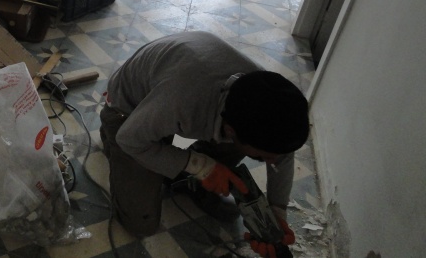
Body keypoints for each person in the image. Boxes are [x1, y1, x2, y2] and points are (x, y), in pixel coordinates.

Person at [99, 31, 308, 256]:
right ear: (230, 130)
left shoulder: (262, 97)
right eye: (266, 156)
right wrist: (204, 167)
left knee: (250, 143)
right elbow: (129, 139)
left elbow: (282, 153)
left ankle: (188, 179)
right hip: (127, 113)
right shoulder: (180, 100)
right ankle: (110, 134)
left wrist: (277, 212)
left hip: (170, 97)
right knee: (141, 223)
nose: (273, 160)